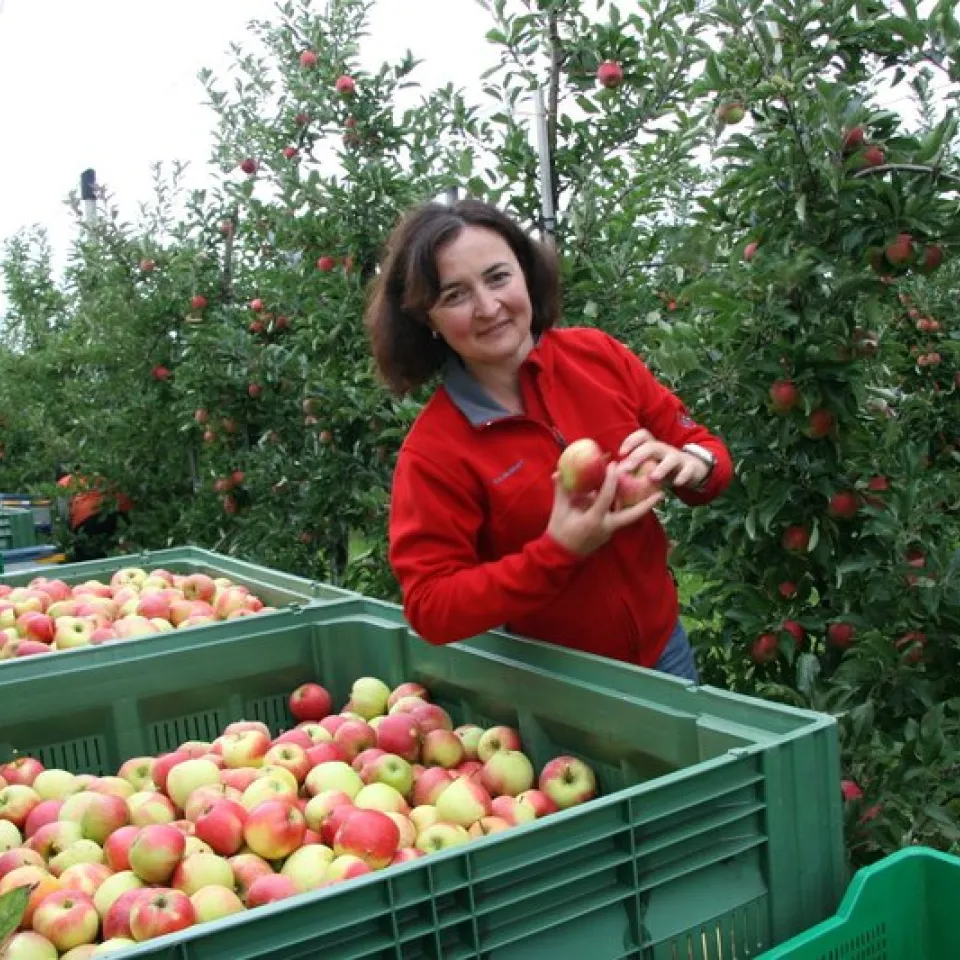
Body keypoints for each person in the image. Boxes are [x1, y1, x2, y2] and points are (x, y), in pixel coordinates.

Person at [364, 198, 732, 681]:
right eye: (455, 295)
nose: (488, 307)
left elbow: (705, 451)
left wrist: (691, 463)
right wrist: (557, 552)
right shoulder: (436, 450)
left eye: (498, 277)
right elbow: (432, 605)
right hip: (556, 684)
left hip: (665, 652)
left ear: (525, 273)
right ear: (426, 319)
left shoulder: (597, 357)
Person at [56, 465, 133, 562]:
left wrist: (72, 533)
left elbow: (64, 514)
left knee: (86, 555)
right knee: (107, 546)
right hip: (109, 514)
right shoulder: (96, 474)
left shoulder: (63, 482)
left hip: (84, 519)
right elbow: (120, 497)